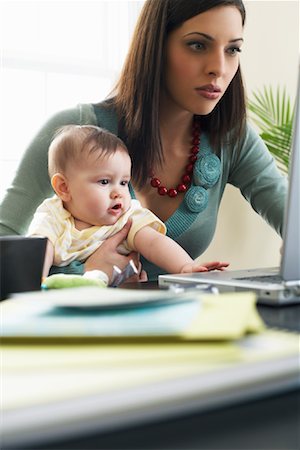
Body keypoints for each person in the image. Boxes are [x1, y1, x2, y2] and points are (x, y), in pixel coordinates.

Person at [0, 0, 287, 282]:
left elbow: (290, 215)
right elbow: (5, 239)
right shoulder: (71, 134)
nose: (219, 68)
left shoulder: (232, 139)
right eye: (198, 45)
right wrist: (86, 273)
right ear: (156, 45)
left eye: (233, 49)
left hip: (178, 322)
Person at [28, 124, 228, 284]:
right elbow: (39, 249)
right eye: (104, 182)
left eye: (124, 182)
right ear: (64, 187)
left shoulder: (127, 217)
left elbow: (153, 242)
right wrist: (36, 283)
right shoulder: (53, 215)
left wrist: (185, 267)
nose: (119, 193)